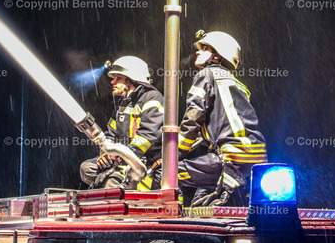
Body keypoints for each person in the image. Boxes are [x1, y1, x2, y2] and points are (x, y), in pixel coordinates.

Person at [177, 31, 268, 207]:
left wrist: (174, 153)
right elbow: (217, 127)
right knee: (201, 202)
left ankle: (169, 217)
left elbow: (193, 116)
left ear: (217, 55)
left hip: (229, 158)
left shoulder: (206, 74)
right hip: (253, 158)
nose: (198, 51)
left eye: (205, 48)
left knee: (166, 174)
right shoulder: (237, 84)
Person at [80, 56, 164, 190]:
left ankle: (119, 185)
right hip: (122, 160)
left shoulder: (152, 98)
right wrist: (105, 154)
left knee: (110, 184)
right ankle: (116, 181)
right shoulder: (123, 104)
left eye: (118, 78)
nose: (112, 82)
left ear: (132, 79)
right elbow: (110, 134)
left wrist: (120, 155)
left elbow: (147, 137)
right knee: (86, 168)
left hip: (144, 165)